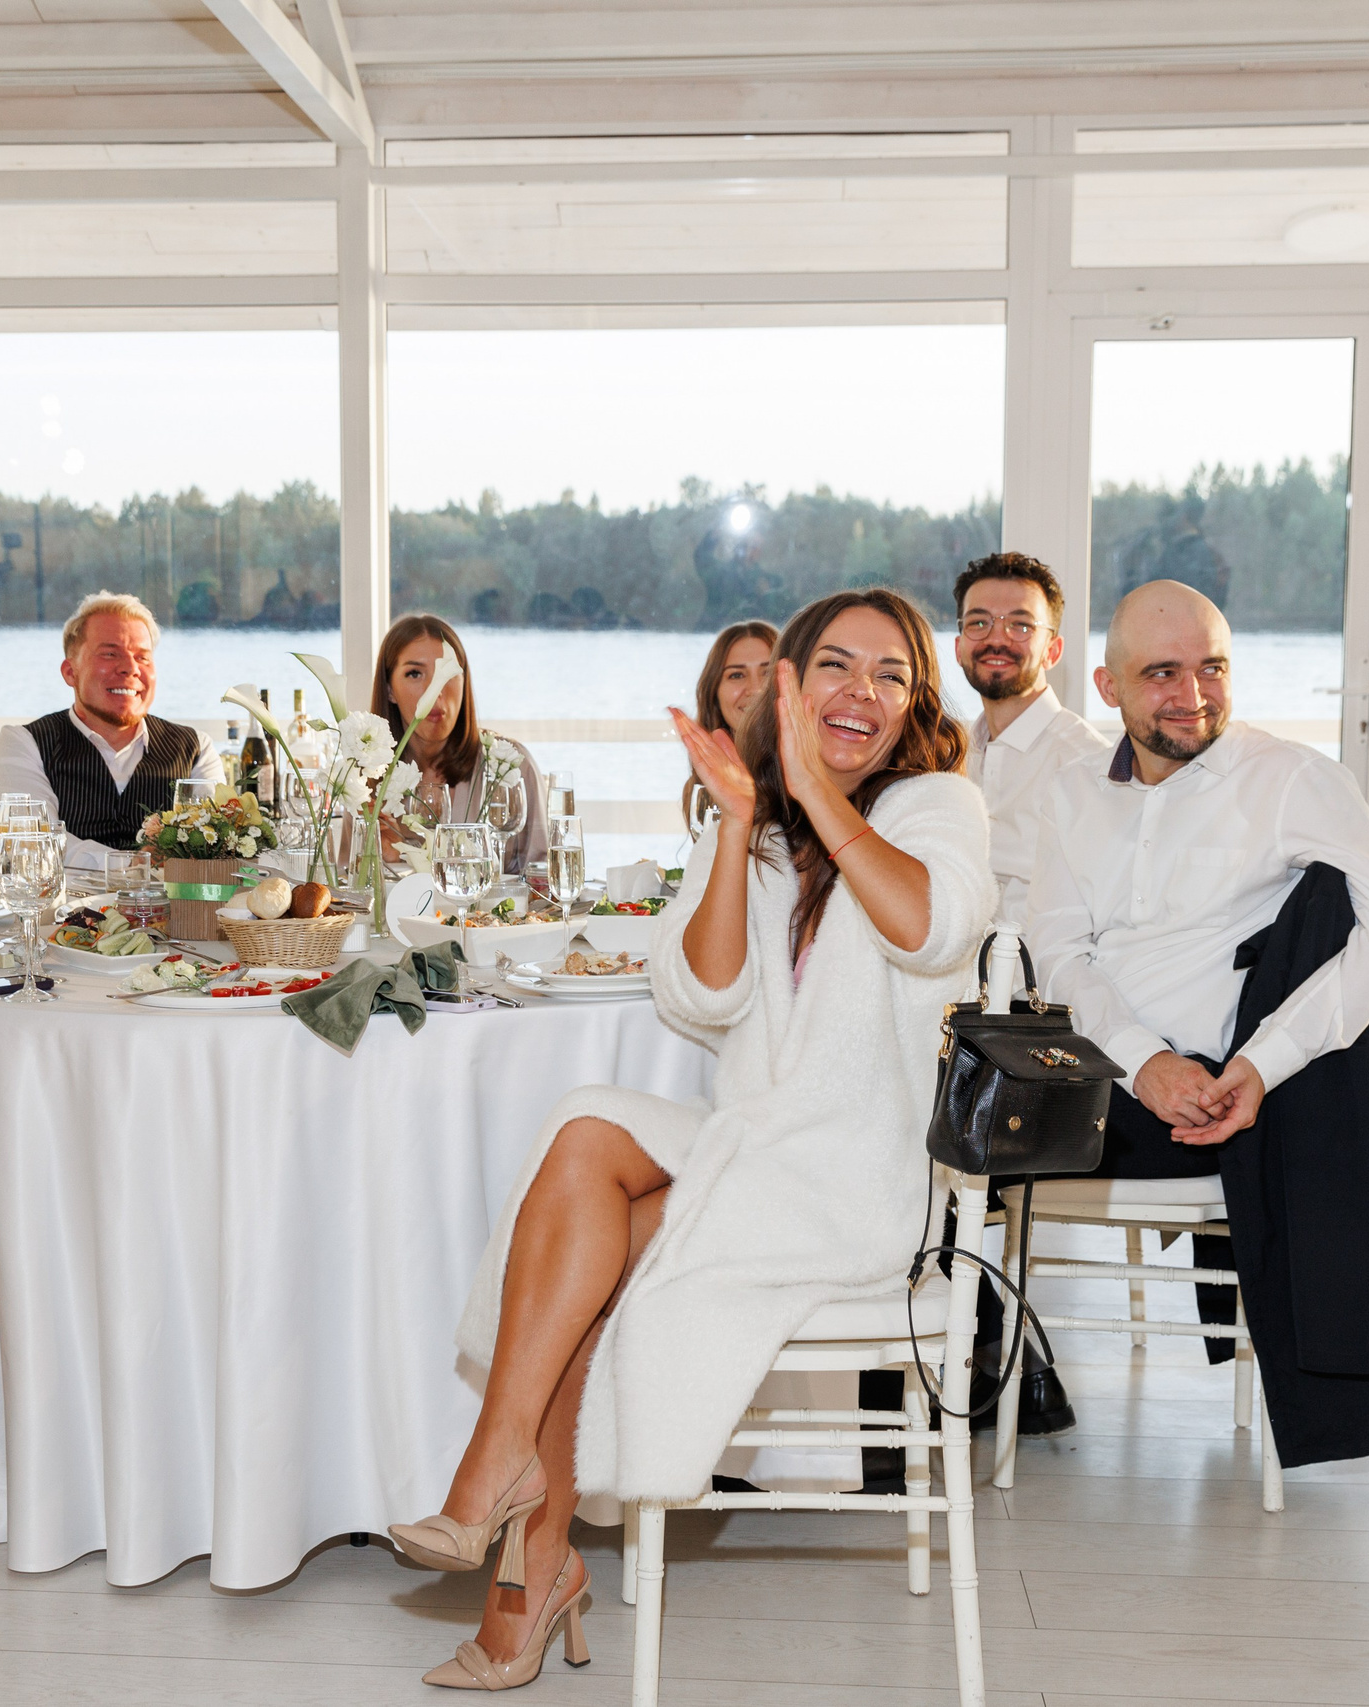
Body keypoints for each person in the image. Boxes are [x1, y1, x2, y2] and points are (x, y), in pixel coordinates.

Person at [389, 589, 992, 1689]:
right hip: (753, 1146)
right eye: (836, 668)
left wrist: (813, 790)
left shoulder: (937, 807)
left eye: (891, 675)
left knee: (596, 1258)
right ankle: (511, 1492)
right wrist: (735, 821)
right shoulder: (759, 825)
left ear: (912, 707)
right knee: (582, 1130)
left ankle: (512, 1539)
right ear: (791, 687)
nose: (861, 690)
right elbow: (703, 996)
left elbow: (929, 925)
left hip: (859, 1180)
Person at [1024, 579, 1369, 1464]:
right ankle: (979, 1370)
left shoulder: (1291, 779)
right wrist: (1143, 1062)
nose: (1193, 695)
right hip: (1111, 1077)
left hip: (1234, 1098)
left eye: (1212, 668)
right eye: (1162, 673)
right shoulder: (1070, 792)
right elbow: (1058, 955)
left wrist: (1263, 1061)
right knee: (942, 1129)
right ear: (1108, 687)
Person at [0, 590, 226, 872]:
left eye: (143, 657)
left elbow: (214, 842)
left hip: (163, 916)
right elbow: (31, 843)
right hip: (45, 914)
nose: (130, 668)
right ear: (70, 672)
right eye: (110, 654)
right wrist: (132, 863)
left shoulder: (195, 748)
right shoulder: (21, 744)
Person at [952, 553, 1111, 928]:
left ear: (1052, 651)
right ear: (959, 647)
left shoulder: (1088, 766)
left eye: (1020, 626)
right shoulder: (949, 757)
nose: (997, 638)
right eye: (979, 622)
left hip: (1036, 984)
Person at [371, 613, 547, 874]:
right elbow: (349, 896)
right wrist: (384, 858)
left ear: (465, 682)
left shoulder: (511, 767)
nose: (435, 689)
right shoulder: (367, 778)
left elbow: (544, 882)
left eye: (448, 673)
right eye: (415, 673)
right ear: (389, 690)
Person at [680, 618, 780, 834]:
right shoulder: (701, 790)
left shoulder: (817, 779)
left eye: (768, 672)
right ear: (714, 695)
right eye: (737, 675)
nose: (755, 689)